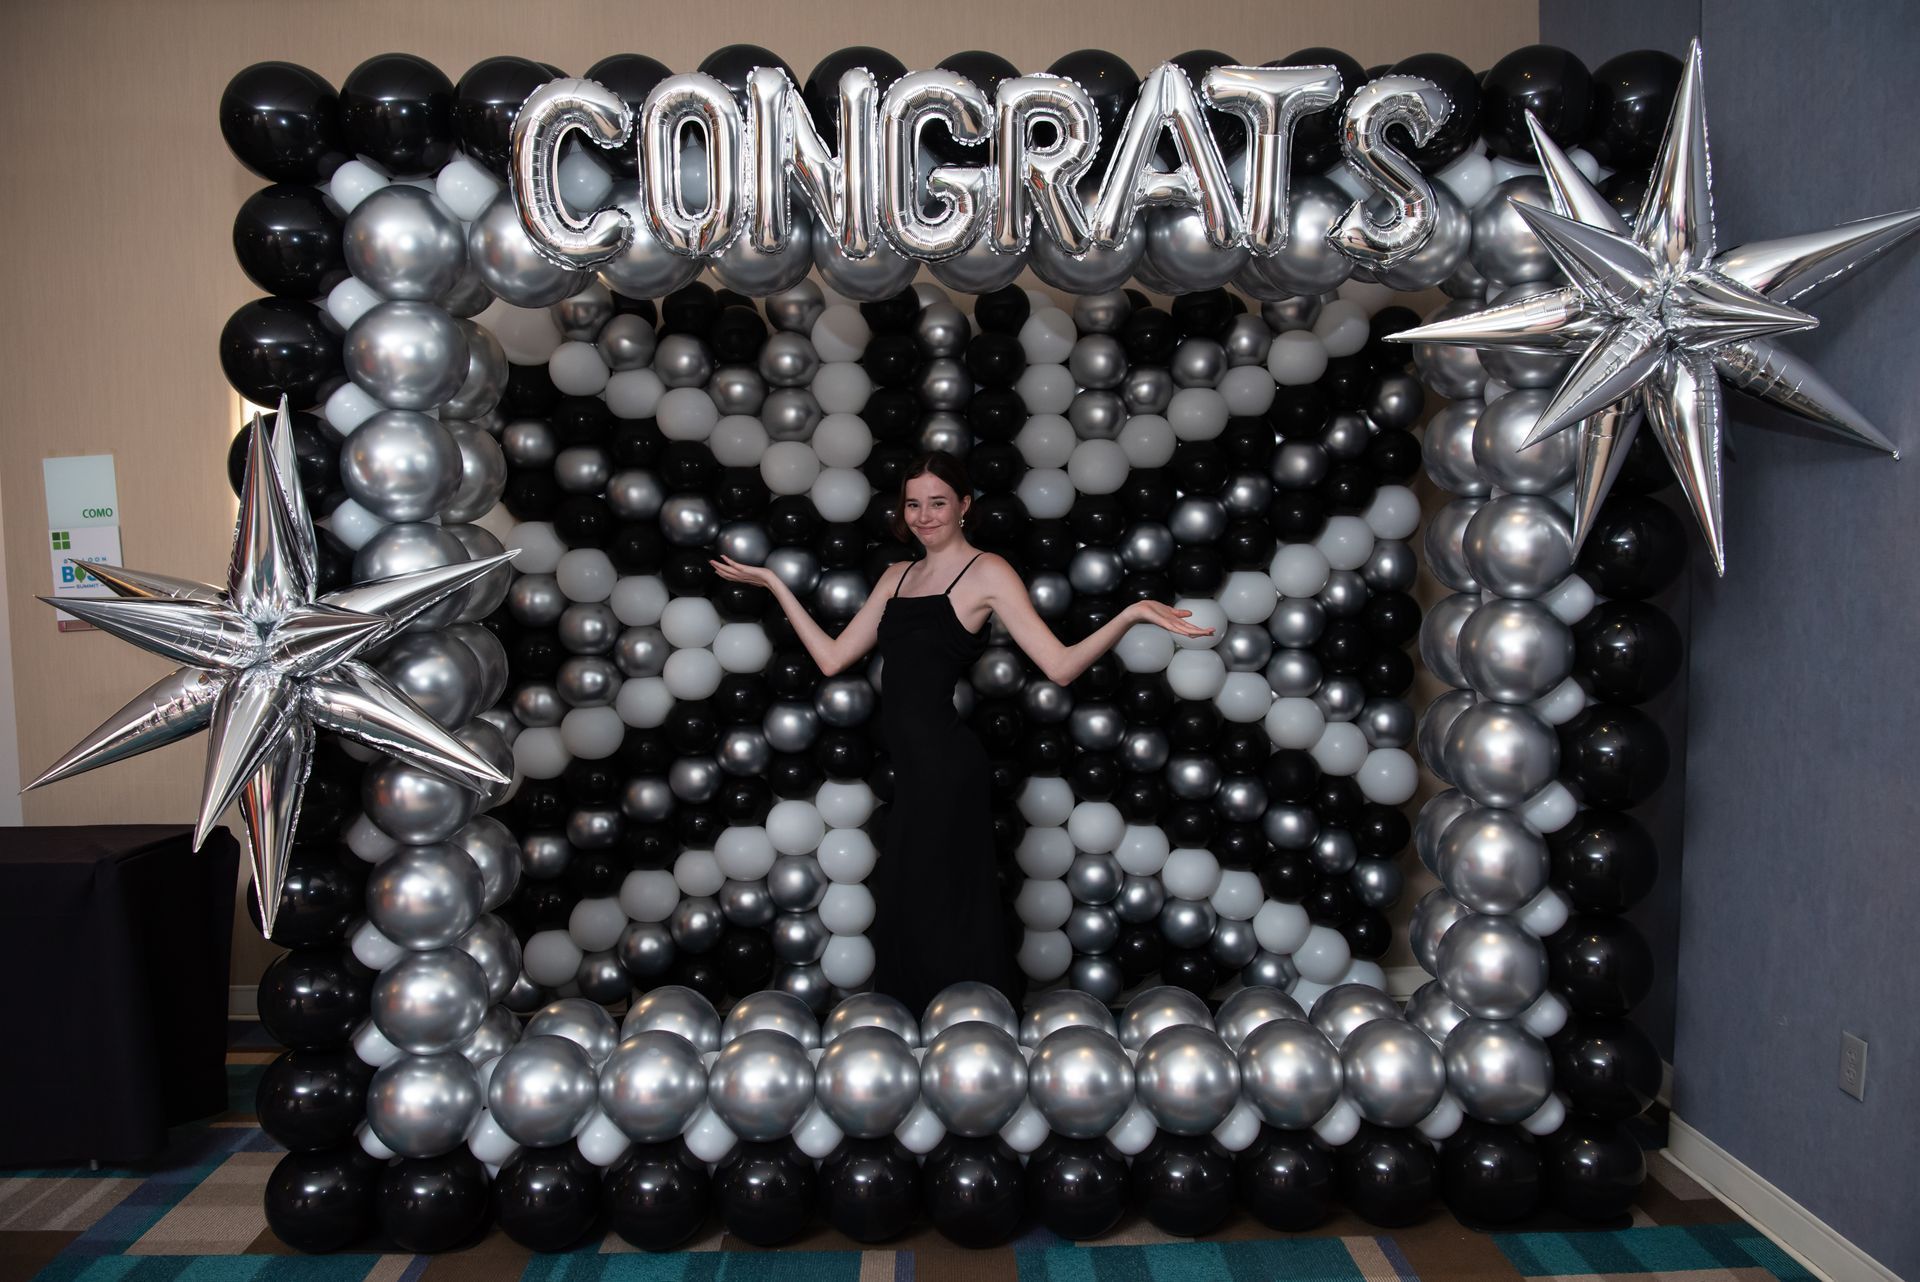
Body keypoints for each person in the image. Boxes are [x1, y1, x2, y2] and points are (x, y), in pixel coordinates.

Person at [711, 451, 1210, 1014]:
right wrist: (776, 584)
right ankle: (920, 1037)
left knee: (946, 903)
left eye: (938, 503)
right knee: (908, 899)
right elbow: (831, 659)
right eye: (914, 504)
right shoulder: (896, 576)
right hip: (913, 770)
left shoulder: (988, 572)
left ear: (964, 506)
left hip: (949, 769)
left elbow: (1061, 665)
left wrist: (1130, 614)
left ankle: (973, 1028)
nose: (924, 516)